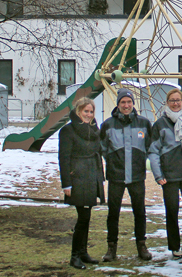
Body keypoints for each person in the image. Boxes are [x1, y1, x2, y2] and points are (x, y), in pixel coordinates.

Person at [147, 88, 182, 259]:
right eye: (172, 100)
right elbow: (153, 151)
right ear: (167, 102)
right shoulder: (160, 124)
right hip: (169, 175)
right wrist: (158, 175)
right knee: (172, 210)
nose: (176, 103)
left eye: (178, 100)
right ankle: (174, 246)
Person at [100, 88, 153, 262]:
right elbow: (102, 147)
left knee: (140, 212)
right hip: (116, 176)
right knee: (113, 212)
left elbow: (150, 146)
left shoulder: (144, 123)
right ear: (118, 104)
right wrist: (112, 159)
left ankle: (141, 245)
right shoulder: (108, 124)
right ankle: (111, 248)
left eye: (129, 102)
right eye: (123, 102)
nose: (126, 105)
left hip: (137, 176)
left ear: (133, 103)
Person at [59, 97, 105, 270]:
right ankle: (75, 256)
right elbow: (64, 158)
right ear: (78, 112)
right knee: (83, 217)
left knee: (87, 217)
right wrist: (66, 184)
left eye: (91, 111)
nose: (88, 114)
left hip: (92, 176)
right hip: (78, 178)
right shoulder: (68, 131)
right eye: (85, 111)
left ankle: (83, 251)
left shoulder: (94, 130)